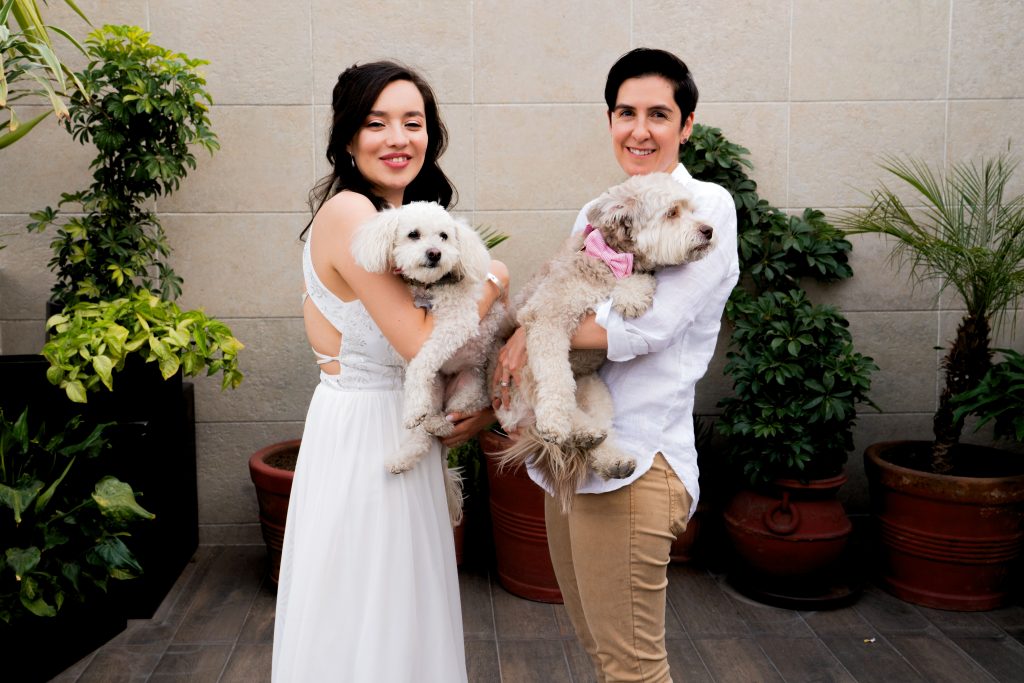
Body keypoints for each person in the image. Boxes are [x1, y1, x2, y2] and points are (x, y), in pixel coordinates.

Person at [494, 48, 739, 682]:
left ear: (686, 125)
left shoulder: (705, 208)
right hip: (568, 461)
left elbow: (644, 326)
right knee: (604, 657)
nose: (640, 129)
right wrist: (529, 331)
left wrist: (532, 330)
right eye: (625, 112)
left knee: (634, 670)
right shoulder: (599, 210)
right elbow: (558, 290)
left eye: (659, 114)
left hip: (640, 463)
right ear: (609, 121)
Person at [273, 60, 507, 682]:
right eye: (377, 123)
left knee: (394, 611)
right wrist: (491, 283)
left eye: (414, 122)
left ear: (431, 134)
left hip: (391, 428)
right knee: (368, 612)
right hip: (366, 437)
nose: (398, 138)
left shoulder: (400, 218)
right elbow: (418, 343)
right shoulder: (352, 214)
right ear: (348, 137)